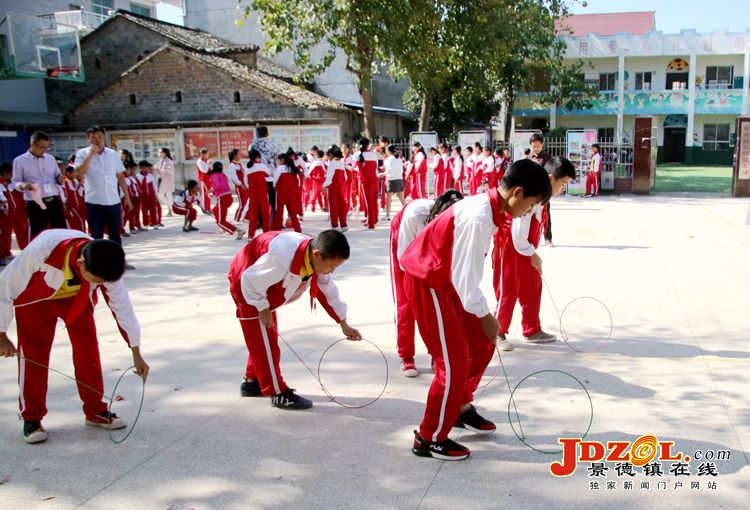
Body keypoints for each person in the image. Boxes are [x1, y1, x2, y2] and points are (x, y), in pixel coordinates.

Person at [400, 159, 552, 460]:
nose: (529, 212)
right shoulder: (480, 218)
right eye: (532, 204)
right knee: (452, 362)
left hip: (449, 285)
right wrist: (486, 316)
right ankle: (429, 438)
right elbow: (465, 281)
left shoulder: (491, 210)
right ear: (517, 193)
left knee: (482, 342)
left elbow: (464, 280)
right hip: (429, 285)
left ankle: (459, 406)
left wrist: (485, 321)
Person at [0, 230, 149, 443]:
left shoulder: (104, 261)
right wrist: (1, 334)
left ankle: (95, 410)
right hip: (35, 300)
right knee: (34, 355)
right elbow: (3, 287)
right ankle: (31, 417)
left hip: (76, 299)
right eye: (96, 280)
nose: (101, 284)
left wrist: (136, 351)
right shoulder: (41, 251)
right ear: (80, 263)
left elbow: (122, 306)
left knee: (88, 351)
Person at [229, 229, 362, 409]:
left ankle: (252, 382)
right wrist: (262, 306)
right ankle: (278, 392)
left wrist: (343, 323)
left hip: (263, 287)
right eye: (332, 266)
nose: (331, 271)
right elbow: (250, 280)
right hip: (247, 286)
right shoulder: (283, 256)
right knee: (265, 344)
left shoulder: (314, 255)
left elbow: (326, 290)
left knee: (264, 340)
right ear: (317, 255)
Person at [494, 157, 575, 349]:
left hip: (525, 248)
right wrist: (533, 254)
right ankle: (498, 332)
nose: (563, 188)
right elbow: (517, 233)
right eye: (562, 183)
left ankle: (531, 329)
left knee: (533, 285)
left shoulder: (543, 200)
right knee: (508, 290)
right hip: (511, 248)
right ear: (550, 178)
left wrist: (531, 253)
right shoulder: (532, 196)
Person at [390, 190, 463, 377]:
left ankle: (438, 354)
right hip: (405, 246)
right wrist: (421, 282)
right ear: (436, 216)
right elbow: (404, 259)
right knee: (406, 302)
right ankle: (406, 356)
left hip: (433, 252)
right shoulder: (415, 217)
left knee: (441, 303)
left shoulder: (460, 221)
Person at [74, 126, 134, 258]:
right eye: (93, 137)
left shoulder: (112, 154)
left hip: (113, 201)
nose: (97, 140)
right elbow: (79, 173)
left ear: (104, 137)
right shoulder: (82, 154)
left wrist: (127, 197)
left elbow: (120, 177)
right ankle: (96, 262)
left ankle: (117, 260)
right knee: (96, 235)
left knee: (115, 234)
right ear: (88, 138)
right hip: (94, 202)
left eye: (100, 137)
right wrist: (90, 155)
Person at [11, 131, 67, 238]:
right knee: (38, 234)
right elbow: (15, 182)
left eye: (46, 147)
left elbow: (57, 176)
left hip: (53, 200)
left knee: (61, 232)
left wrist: (60, 179)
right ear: (32, 144)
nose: (44, 150)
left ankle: (60, 254)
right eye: (41, 147)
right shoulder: (20, 161)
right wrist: (22, 185)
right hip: (35, 202)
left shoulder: (50, 159)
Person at [208, 161, 245, 239]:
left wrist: (211, 191)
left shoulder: (214, 175)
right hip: (228, 197)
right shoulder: (223, 175)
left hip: (222, 198)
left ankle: (237, 230)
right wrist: (213, 191)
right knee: (215, 210)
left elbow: (216, 185)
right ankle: (223, 227)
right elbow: (221, 185)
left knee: (221, 222)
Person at [529, 133, 553, 247]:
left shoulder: (548, 158)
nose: (535, 148)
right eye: (533, 146)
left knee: (546, 215)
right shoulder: (529, 159)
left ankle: (548, 238)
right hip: (532, 192)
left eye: (538, 146)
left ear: (542, 145)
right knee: (530, 215)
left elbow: (552, 174)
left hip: (544, 192)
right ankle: (530, 239)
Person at [249, 126, 279, 217]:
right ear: (267, 133)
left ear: (257, 134)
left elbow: (251, 159)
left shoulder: (253, 146)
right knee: (273, 201)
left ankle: (260, 221)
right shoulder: (273, 144)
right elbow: (277, 159)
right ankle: (273, 221)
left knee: (257, 201)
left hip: (257, 176)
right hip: (271, 177)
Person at [243, 148, 272, 239]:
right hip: (263, 195)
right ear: (257, 157)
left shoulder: (247, 169)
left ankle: (250, 236)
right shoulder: (262, 166)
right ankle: (266, 235)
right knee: (265, 216)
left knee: (253, 217)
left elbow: (246, 184)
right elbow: (269, 173)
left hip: (253, 196)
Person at [271, 153, 302, 233]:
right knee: (293, 214)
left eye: (279, 160)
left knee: (279, 214)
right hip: (292, 194)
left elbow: (275, 182)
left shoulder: (280, 168)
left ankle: (277, 231)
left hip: (281, 193)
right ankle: (298, 230)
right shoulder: (293, 168)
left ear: (282, 160)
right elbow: (298, 183)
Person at [354, 138, 379, 230]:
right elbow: (376, 168)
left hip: (366, 182)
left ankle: (371, 223)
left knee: (368, 202)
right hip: (375, 180)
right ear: (367, 145)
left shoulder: (357, 155)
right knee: (374, 201)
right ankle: (374, 219)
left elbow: (355, 168)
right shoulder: (373, 154)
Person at [323, 146, 349, 231]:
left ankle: (335, 226)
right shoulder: (341, 163)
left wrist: (324, 185)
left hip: (332, 187)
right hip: (341, 187)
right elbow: (346, 177)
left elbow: (329, 177)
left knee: (333, 207)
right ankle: (344, 225)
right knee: (341, 206)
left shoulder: (332, 163)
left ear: (331, 155)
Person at [378, 144, 406, 221]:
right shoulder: (399, 159)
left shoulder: (388, 159)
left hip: (391, 180)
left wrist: (381, 174)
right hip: (399, 179)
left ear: (388, 151)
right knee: (402, 199)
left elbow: (388, 171)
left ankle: (387, 215)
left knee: (388, 199)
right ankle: (407, 212)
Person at [137, 160, 160, 229]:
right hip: (143, 196)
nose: (146, 169)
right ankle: (145, 224)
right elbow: (138, 186)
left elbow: (154, 185)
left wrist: (156, 194)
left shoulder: (150, 176)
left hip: (151, 195)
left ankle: (154, 223)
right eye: (144, 167)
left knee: (153, 209)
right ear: (141, 168)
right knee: (144, 210)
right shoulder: (138, 177)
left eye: (147, 167)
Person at [62, 166, 86, 232]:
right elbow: (68, 193)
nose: (75, 174)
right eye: (73, 172)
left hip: (77, 204)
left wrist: (79, 185)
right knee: (76, 220)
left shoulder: (74, 180)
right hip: (70, 205)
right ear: (68, 173)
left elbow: (78, 191)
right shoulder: (65, 182)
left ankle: (83, 233)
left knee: (81, 219)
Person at [155, 148, 175, 217]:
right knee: (160, 195)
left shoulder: (169, 161)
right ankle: (171, 207)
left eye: (160, 152)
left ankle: (170, 210)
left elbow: (171, 171)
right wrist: (156, 169)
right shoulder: (160, 160)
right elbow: (156, 166)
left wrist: (161, 170)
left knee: (168, 195)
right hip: (161, 180)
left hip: (167, 180)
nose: (159, 153)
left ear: (164, 153)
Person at [196, 148, 212, 214]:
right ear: (203, 154)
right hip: (203, 180)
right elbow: (204, 170)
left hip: (208, 179)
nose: (208, 155)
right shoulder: (200, 161)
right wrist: (208, 164)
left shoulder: (206, 160)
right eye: (207, 153)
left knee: (209, 194)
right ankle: (205, 208)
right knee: (204, 194)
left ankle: (208, 207)